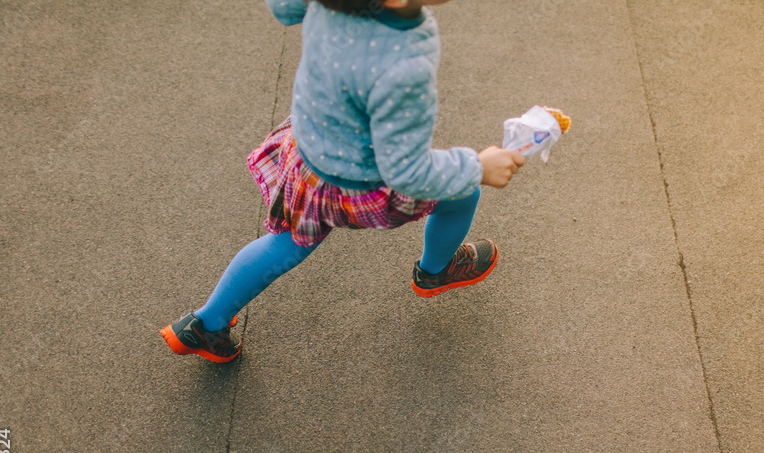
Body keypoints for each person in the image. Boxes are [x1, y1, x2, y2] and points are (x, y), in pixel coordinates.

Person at [160, 0, 525, 363]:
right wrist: (476, 167)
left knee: (288, 241)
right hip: (357, 183)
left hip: (308, 152)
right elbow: (406, 170)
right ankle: (435, 270)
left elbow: (284, 7)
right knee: (462, 194)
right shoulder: (404, 62)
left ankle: (206, 324)